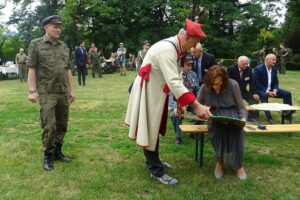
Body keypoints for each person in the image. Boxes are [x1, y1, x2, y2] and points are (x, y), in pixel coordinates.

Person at [125, 18, 211, 185]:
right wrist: (196, 105)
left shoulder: (176, 48)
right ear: (185, 38)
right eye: (193, 43)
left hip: (155, 90)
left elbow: (176, 76)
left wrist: (181, 103)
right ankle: (156, 170)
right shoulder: (167, 49)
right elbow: (174, 81)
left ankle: (153, 161)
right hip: (149, 91)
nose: (193, 47)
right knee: (150, 128)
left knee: (153, 128)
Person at [27, 15, 75, 171]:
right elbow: (32, 68)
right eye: (55, 26)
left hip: (62, 92)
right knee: (50, 125)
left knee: (62, 124)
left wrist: (71, 90)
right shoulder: (36, 44)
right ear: (46, 27)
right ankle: (47, 155)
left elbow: (67, 69)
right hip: (47, 92)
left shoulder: (63, 46)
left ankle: (57, 152)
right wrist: (32, 91)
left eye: (60, 26)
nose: (58, 29)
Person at [198, 65, 247, 180]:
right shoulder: (204, 87)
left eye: (219, 83)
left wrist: (243, 118)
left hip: (232, 113)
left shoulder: (233, 84)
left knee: (238, 133)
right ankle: (220, 162)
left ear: (224, 80)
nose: (216, 87)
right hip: (215, 115)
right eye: (213, 84)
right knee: (216, 132)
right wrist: (202, 113)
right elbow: (197, 105)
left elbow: (241, 107)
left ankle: (238, 166)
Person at [252, 54, 293, 124]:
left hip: (271, 89)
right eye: (273, 60)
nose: (275, 61)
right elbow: (256, 83)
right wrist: (267, 91)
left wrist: (275, 89)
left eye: (275, 60)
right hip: (261, 89)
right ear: (267, 60)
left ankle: (287, 115)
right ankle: (270, 118)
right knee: (264, 95)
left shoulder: (274, 68)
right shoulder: (258, 69)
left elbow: (276, 81)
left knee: (287, 94)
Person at [169, 56, 199, 145]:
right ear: (181, 66)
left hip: (192, 102)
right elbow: (171, 93)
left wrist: (200, 104)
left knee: (202, 113)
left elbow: (197, 90)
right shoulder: (175, 76)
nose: (190, 67)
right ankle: (178, 136)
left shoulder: (193, 74)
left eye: (191, 65)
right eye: (187, 65)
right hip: (180, 102)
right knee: (174, 114)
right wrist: (174, 107)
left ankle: (194, 131)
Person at [227, 56, 260, 121]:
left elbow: (252, 82)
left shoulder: (249, 69)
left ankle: (251, 117)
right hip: (232, 92)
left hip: (243, 91)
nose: (246, 65)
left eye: (247, 64)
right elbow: (227, 82)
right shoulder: (230, 69)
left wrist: (254, 93)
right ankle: (235, 115)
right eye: (243, 64)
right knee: (234, 103)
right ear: (238, 63)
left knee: (254, 99)